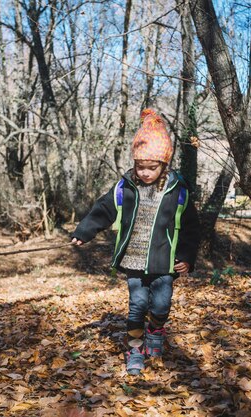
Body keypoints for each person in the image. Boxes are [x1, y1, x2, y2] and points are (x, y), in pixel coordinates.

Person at [71, 108, 200, 375]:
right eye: (140, 166)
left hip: (165, 261)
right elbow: (104, 209)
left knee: (161, 305)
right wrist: (84, 232)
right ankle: (135, 350)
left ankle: (155, 329)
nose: (144, 173)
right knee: (137, 306)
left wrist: (186, 257)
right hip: (133, 259)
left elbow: (190, 227)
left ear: (164, 164)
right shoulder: (125, 186)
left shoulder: (178, 191)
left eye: (151, 168)